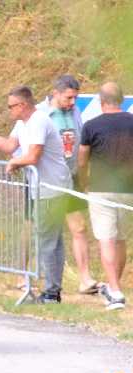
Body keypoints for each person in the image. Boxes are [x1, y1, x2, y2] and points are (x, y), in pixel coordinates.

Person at [0, 85, 72, 303]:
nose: (9, 110)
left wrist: (15, 162)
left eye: (11, 106)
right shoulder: (22, 123)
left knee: (47, 240)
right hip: (40, 187)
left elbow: (33, 156)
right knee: (51, 239)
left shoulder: (38, 121)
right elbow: (9, 146)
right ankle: (53, 290)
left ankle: (51, 293)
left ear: (23, 105)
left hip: (51, 188)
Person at [37, 75, 98, 294]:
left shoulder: (75, 112)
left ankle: (85, 279)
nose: (72, 102)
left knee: (79, 227)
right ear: (56, 93)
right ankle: (24, 275)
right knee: (35, 229)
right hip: (46, 181)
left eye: (75, 98)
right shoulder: (39, 114)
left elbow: (81, 143)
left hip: (70, 178)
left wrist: (83, 174)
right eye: (69, 98)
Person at [78, 82, 133, 311]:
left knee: (106, 240)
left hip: (101, 188)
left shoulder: (91, 126)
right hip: (128, 189)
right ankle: (113, 287)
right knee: (120, 239)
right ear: (121, 100)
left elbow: (82, 159)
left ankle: (116, 292)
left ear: (101, 102)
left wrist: (84, 182)